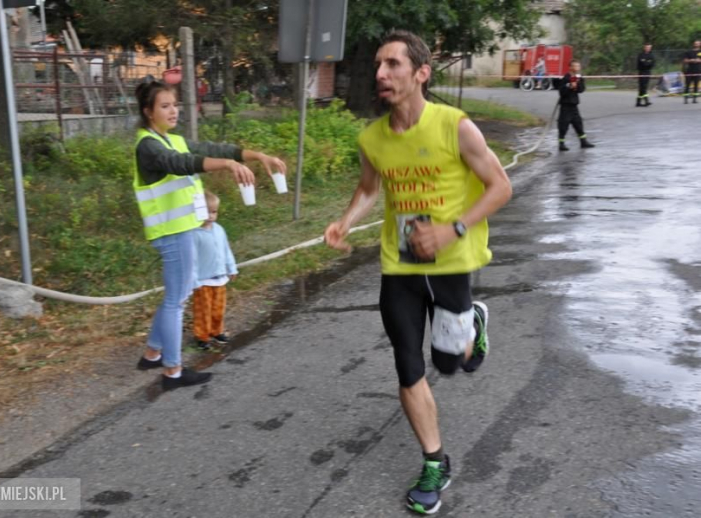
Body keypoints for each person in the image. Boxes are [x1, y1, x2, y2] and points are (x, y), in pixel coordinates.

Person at [324, 30, 512, 515]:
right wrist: (345, 221)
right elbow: (369, 188)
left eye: (393, 65)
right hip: (401, 265)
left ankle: (474, 324)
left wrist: (453, 229)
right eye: (379, 66)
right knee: (409, 367)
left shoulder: (456, 127)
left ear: (421, 73)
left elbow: (499, 186)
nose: (381, 74)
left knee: (450, 364)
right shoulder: (372, 138)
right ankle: (434, 462)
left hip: (451, 262)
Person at [133, 81, 286, 390]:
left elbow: (212, 149)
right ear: (148, 112)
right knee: (178, 299)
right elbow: (179, 165)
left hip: (180, 230)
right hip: (172, 232)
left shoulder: (172, 139)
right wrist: (227, 165)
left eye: (175, 104)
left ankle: (152, 353)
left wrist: (257, 156)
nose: (173, 110)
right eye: (165, 106)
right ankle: (173, 371)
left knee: (176, 293)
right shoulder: (148, 146)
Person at [191, 190, 238, 350]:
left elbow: (226, 250)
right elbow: (192, 259)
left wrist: (231, 268)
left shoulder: (219, 230)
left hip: (220, 278)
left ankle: (216, 330)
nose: (211, 216)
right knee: (203, 310)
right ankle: (202, 336)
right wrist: (194, 279)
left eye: (214, 212)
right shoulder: (194, 234)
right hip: (202, 280)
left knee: (218, 308)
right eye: (207, 212)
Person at [558, 60, 595, 151]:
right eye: (575, 66)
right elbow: (561, 92)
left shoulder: (578, 77)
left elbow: (581, 89)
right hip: (566, 105)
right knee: (564, 124)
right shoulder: (566, 78)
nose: (578, 68)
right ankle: (561, 144)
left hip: (574, 105)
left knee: (578, 123)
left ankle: (583, 142)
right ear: (570, 67)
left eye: (579, 66)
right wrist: (569, 86)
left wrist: (577, 85)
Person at [683, 40, 701, 104]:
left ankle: (694, 99)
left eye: (698, 43)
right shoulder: (689, 52)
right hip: (689, 71)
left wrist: (698, 60)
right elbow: (685, 60)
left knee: (696, 85)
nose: (697, 44)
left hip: (698, 71)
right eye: (696, 43)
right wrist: (692, 60)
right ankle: (685, 99)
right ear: (693, 44)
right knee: (687, 85)